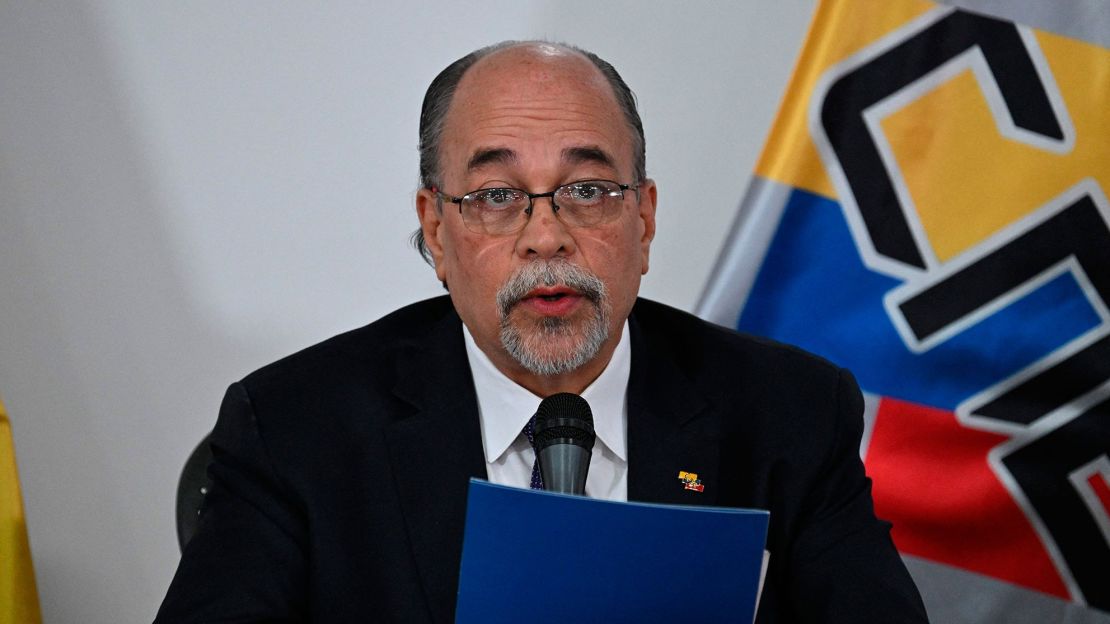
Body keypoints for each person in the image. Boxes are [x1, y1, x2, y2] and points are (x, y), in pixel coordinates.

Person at [155, 41, 928, 623]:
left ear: (645, 217)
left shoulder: (788, 412)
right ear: (435, 231)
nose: (547, 236)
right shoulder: (296, 428)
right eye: (496, 196)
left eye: (587, 190)